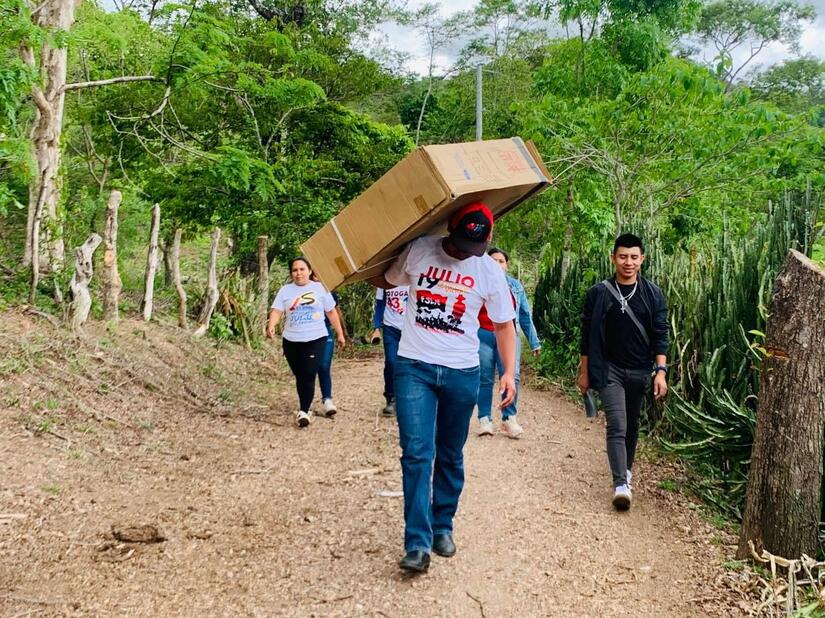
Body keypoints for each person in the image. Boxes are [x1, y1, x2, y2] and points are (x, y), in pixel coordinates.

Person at [370, 202, 517, 574]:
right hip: (414, 366)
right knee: (417, 453)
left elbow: (503, 325)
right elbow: (383, 279)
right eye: (459, 245)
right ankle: (416, 542)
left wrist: (508, 372)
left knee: (450, 453)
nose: (464, 255)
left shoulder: (488, 272)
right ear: (449, 230)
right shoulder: (420, 249)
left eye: (474, 249)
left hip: (462, 372)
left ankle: (442, 525)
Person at [577, 234, 669, 511]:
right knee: (617, 423)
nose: (628, 262)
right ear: (613, 258)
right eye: (622, 256)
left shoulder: (653, 294)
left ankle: (626, 471)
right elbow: (586, 336)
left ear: (642, 259)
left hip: (640, 370)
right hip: (609, 370)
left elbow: (660, 334)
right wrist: (584, 373)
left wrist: (660, 371)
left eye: (633, 257)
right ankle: (620, 484)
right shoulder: (599, 293)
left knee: (631, 425)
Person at [267, 257, 346, 428]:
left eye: (302, 269)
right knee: (301, 375)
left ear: (310, 271)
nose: (298, 273)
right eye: (295, 270)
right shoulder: (285, 291)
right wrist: (271, 326)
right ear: (291, 273)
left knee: (308, 374)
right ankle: (307, 404)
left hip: (316, 338)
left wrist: (340, 333)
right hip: (291, 340)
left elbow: (331, 312)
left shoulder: (320, 288)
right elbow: (277, 310)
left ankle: (304, 410)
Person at [476, 247, 541, 439]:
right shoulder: (477, 284)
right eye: (492, 261)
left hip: (509, 337)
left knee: (513, 376)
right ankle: (484, 420)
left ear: (506, 265)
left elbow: (525, 316)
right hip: (483, 336)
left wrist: (534, 341)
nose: (496, 264)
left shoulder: (515, 286)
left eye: (501, 261)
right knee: (485, 378)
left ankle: (509, 418)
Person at [373, 285, 409, 416]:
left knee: (409, 364)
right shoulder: (385, 281)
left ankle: (406, 397)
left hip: (410, 328)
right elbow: (380, 305)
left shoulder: (412, 277)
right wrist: (376, 327)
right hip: (390, 327)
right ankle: (391, 398)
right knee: (391, 362)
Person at [317, 292, 348, 417]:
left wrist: (341, 332)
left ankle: (327, 399)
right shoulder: (299, 290)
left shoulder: (329, 292)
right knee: (307, 370)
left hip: (326, 333)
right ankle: (305, 403)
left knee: (324, 366)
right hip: (306, 334)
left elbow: (335, 311)